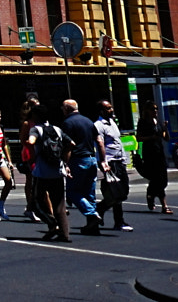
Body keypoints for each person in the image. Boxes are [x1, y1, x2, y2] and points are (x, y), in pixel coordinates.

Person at [27, 103, 71, 242]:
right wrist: (65, 161)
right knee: (59, 203)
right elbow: (72, 144)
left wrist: (30, 145)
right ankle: (65, 234)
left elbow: (31, 141)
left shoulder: (36, 129)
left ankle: (52, 224)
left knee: (35, 202)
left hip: (42, 172)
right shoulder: (57, 129)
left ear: (35, 116)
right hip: (57, 170)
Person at [60, 99, 103, 235]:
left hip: (77, 160)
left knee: (72, 192)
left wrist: (65, 163)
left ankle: (92, 214)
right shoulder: (88, 121)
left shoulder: (67, 123)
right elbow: (99, 141)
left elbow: (68, 145)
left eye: (63, 108)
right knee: (89, 193)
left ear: (67, 109)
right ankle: (92, 225)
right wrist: (103, 160)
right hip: (91, 158)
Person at [94, 100, 131, 232]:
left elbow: (117, 142)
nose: (111, 110)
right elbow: (100, 144)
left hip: (120, 160)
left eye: (111, 107)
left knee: (123, 191)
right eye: (108, 108)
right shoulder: (98, 125)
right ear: (101, 111)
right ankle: (118, 221)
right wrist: (103, 162)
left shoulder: (113, 123)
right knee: (117, 192)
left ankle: (101, 209)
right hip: (110, 162)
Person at [134, 107, 169, 215]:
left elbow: (166, 138)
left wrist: (165, 129)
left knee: (163, 180)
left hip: (160, 153)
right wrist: (151, 137)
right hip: (150, 154)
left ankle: (150, 194)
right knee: (156, 178)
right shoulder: (143, 123)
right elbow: (138, 138)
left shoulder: (158, 123)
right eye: (153, 109)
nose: (155, 111)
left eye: (156, 109)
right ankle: (164, 206)